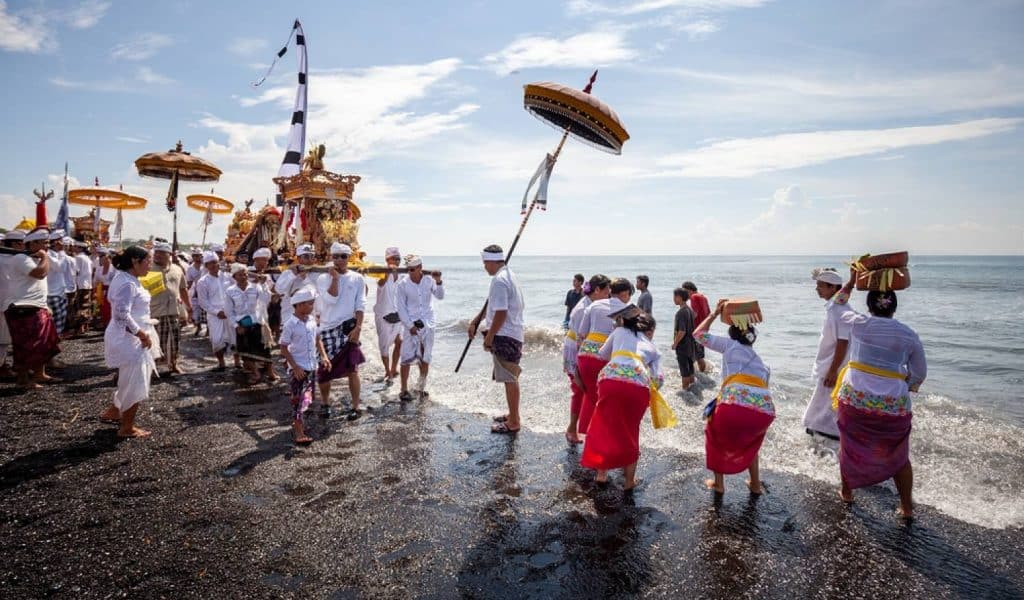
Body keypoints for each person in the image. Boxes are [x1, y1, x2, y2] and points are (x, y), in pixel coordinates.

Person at [833, 273, 926, 518]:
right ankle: (906, 507)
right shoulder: (909, 334)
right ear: (894, 307)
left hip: (855, 400)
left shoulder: (859, 323)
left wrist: (852, 281)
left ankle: (847, 492)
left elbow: (837, 304)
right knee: (899, 454)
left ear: (869, 305)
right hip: (893, 406)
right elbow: (919, 374)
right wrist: (902, 385)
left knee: (849, 445)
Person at [694, 299, 774, 495]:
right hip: (764, 411)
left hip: (734, 405)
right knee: (750, 442)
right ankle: (755, 485)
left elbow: (698, 335)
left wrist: (713, 314)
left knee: (715, 436)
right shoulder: (763, 364)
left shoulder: (730, 345)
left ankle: (719, 485)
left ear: (732, 334)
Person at [581, 305, 662, 490]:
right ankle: (629, 481)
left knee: (604, 424)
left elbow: (602, 353)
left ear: (622, 321)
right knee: (631, 430)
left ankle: (602, 474)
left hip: (609, 381)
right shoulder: (652, 347)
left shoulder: (618, 332)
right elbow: (659, 379)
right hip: (638, 387)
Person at [98, 246, 161, 438]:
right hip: (130, 338)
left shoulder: (129, 280)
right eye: (147, 261)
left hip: (131, 336)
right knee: (135, 380)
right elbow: (121, 315)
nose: (150, 264)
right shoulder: (126, 283)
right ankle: (127, 427)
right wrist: (141, 334)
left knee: (128, 377)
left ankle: (115, 410)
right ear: (135, 261)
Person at [468, 244, 525, 434]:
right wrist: (477, 321)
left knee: (509, 378)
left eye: (485, 263)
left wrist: (490, 337)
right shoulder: (508, 275)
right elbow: (492, 304)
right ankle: (512, 414)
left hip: (505, 334)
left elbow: (501, 312)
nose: (484, 267)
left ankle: (514, 422)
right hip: (512, 332)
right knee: (509, 376)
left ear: (492, 261)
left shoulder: (500, 281)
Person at [3, 228, 60, 390]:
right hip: (22, 306)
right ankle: (22, 379)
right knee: (25, 346)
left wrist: (44, 304)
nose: (47, 245)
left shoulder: (33, 258)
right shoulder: (21, 258)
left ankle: (38, 374)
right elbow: (40, 273)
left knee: (43, 344)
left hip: (37, 306)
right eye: (44, 242)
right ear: (33, 243)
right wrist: (45, 257)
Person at [315, 242, 366, 419]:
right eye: (335, 256)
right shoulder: (323, 279)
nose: (339, 260)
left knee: (353, 369)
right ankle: (325, 403)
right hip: (328, 328)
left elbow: (361, 304)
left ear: (349, 258)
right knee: (324, 370)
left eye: (343, 256)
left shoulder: (357, 278)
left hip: (348, 329)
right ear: (331, 257)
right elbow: (330, 300)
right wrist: (335, 279)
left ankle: (355, 406)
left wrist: (358, 327)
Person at [576, 277, 632, 436]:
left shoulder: (594, 305)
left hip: (585, 355)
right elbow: (630, 340)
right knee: (607, 399)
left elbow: (581, 335)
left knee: (590, 395)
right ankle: (601, 438)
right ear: (625, 293)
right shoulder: (628, 310)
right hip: (606, 356)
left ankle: (587, 435)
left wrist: (576, 365)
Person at [802, 268, 850, 440]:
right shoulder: (835, 306)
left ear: (832, 288)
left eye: (820, 286)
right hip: (829, 362)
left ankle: (828, 435)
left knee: (828, 402)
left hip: (834, 364)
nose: (817, 289)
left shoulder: (840, 311)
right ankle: (819, 431)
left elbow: (843, 342)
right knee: (823, 402)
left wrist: (833, 370)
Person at [279, 287, 331, 445]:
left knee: (307, 398)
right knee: (298, 400)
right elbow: (283, 347)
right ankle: (299, 433)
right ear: (300, 305)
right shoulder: (290, 324)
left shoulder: (311, 320)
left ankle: (297, 421)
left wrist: (324, 356)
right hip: (299, 368)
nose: (312, 307)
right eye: (310, 304)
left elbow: (317, 339)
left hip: (311, 365)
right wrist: (294, 367)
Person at [562, 275, 608, 444]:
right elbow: (583, 337)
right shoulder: (584, 308)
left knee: (581, 390)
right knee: (578, 389)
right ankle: (573, 429)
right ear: (597, 290)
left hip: (577, 347)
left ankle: (576, 428)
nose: (609, 294)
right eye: (606, 290)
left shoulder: (591, 304)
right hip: (575, 349)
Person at [395, 254, 444, 401]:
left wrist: (439, 281)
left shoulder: (429, 281)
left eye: (412, 269)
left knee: (426, 356)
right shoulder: (402, 285)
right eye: (408, 269)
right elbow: (401, 308)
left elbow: (440, 296)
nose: (410, 272)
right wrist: (410, 326)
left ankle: (421, 387)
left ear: (420, 268)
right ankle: (403, 389)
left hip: (428, 324)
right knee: (406, 357)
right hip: (411, 324)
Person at [226, 263, 274, 385]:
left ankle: (270, 372)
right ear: (234, 276)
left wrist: (263, 284)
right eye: (240, 274)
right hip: (242, 325)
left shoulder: (256, 287)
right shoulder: (230, 291)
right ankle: (256, 373)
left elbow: (265, 300)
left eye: (246, 274)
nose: (244, 276)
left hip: (257, 322)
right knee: (246, 352)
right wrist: (237, 326)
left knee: (265, 349)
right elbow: (229, 312)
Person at [149, 241, 192, 375]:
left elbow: (183, 289)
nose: (158, 255)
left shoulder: (177, 269)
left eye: (162, 253)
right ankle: (151, 368)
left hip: (174, 310)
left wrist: (189, 307)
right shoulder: (148, 268)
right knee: (155, 342)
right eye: (156, 252)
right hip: (154, 311)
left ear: (170, 254)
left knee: (175, 340)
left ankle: (173, 364)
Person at [195, 251, 234, 370]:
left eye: (215, 262)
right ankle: (221, 362)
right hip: (215, 315)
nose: (213, 265)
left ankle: (237, 361)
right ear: (206, 266)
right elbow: (203, 302)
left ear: (219, 263)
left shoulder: (228, 277)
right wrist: (217, 312)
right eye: (210, 263)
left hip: (230, 312)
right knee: (217, 340)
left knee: (234, 338)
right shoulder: (203, 282)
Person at [373, 247, 404, 382]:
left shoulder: (402, 276)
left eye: (398, 259)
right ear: (387, 260)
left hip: (397, 315)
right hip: (383, 315)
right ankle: (387, 371)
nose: (397, 261)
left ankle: (393, 368)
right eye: (394, 259)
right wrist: (387, 272)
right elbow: (381, 283)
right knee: (384, 346)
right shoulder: (382, 274)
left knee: (400, 342)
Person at [274, 243, 317, 332]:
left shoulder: (317, 274)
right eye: (306, 256)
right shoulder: (288, 273)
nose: (309, 260)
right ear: (298, 258)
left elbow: (316, 294)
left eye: (312, 256)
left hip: (310, 320)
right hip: (289, 318)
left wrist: (305, 278)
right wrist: (293, 275)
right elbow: (279, 290)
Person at [45, 230, 72, 338]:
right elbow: (60, 268)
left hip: (60, 291)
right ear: (55, 242)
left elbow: (63, 269)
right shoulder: (48, 254)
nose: (62, 243)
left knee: (60, 321)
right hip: (52, 293)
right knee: (55, 321)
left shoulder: (57, 254)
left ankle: (55, 341)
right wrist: (62, 252)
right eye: (60, 241)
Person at [671, 287, 697, 390]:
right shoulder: (690, 310)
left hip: (683, 346)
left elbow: (682, 331)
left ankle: (685, 392)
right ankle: (692, 389)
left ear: (680, 297)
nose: (673, 299)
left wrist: (675, 344)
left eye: (675, 296)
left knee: (684, 372)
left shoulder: (681, 313)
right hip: (691, 344)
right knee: (690, 369)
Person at [682, 282, 711, 373]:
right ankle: (702, 374)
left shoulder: (694, 297)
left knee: (694, 355)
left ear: (689, 290)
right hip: (704, 330)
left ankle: (695, 376)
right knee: (700, 355)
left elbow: (694, 313)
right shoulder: (704, 297)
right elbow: (709, 314)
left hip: (696, 331)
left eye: (684, 291)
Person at [72, 241, 93, 334]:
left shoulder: (78, 258)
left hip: (80, 285)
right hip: (87, 284)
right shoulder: (88, 258)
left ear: (80, 248)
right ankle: (85, 326)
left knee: (80, 306)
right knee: (86, 305)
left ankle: (80, 328)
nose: (73, 248)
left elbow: (75, 271)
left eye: (75, 246)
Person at [185, 247, 206, 337]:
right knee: (196, 310)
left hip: (207, 290)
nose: (197, 258)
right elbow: (189, 282)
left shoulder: (206, 266)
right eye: (195, 256)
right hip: (196, 291)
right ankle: (198, 326)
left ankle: (209, 329)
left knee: (207, 311)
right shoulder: (190, 268)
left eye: (199, 256)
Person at [94, 247, 115, 328]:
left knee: (110, 307)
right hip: (102, 290)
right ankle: (105, 322)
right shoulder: (99, 269)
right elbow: (95, 280)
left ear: (109, 258)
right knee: (102, 307)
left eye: (103, 257)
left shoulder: (114, 268)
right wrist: (95, 290)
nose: (101, 259)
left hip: (112, 290)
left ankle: (111, 323)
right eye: (100, 257)